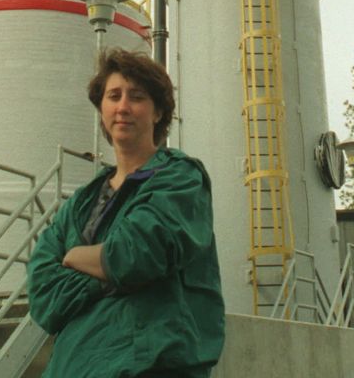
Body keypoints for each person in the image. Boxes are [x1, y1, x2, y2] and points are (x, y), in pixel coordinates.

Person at [27, 48, 225, 378]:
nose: (123, 107)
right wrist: (109, 276)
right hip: (70, 368)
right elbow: (42, 292)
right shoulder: (82, 202)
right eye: (113, 96)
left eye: (137, 97)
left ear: (158, 111)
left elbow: (137, 254)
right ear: (102, 109)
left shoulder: (179, 177)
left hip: (150, 365)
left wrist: (74, 257)